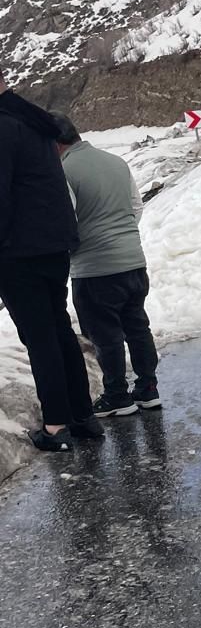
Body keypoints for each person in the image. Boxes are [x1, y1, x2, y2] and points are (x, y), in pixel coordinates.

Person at [0, 77, 99, 452]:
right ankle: (82, 417)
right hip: (52, 246)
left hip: (18, 251)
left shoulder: (3, 126)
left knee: (40, 338)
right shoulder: (33, 121)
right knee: (57, 329)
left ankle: (56, 426)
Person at [57, 123, 161, 419]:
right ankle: (148, 389)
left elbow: (67, 219)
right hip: (132, 261)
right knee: (138, 327)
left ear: (55, 143)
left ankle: (116, 396)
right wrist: (120, 236)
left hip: (94, 268)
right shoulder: (116, 162)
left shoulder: (63, 170)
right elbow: (135, 207)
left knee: (106, 335)